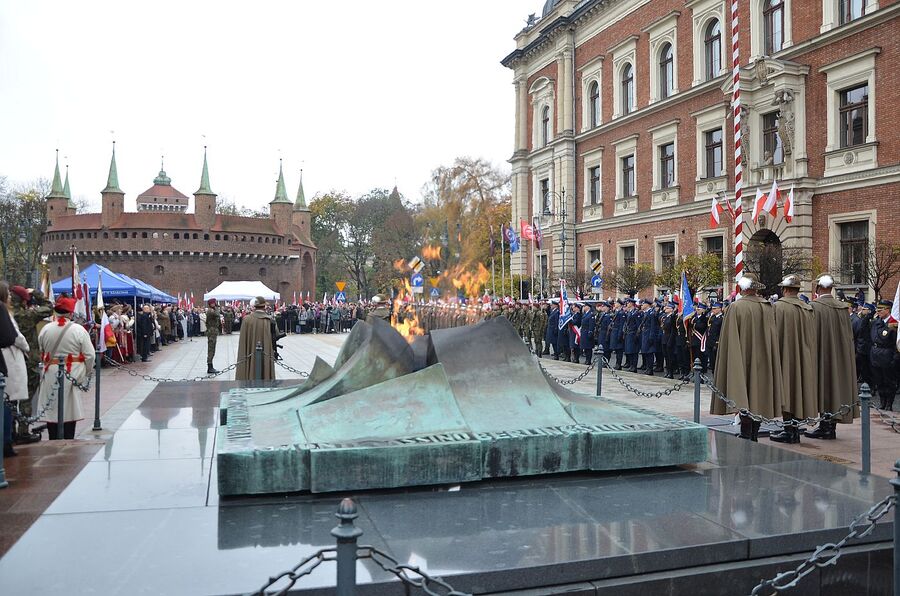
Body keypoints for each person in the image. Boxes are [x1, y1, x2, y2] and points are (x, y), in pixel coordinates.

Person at [710, 273, 783, 442]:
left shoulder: (736, 307)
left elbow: (729, 340)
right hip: (763, 359)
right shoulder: (767, 307)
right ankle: (754, 434)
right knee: (759, 396)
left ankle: (745, 433)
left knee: (743, 394)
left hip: (741, 358)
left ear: (742, 287)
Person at [36, 296, 95, 440]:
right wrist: (85, 372)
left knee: (51, 407)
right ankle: (69, 437)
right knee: (70, 408)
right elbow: (90, 355)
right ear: (70, 313)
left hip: (50, 371)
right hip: (72, 371)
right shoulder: (78, 330)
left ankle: (53, 436)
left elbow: (41, 349)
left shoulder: (46, 329)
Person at [808, 274, 858, 439]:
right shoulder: (842, 308)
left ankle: (825, 426)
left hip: (822, 354)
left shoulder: (815, 306)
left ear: (818, 288)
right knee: (835, 388)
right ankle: (830, 426)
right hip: (839, 355)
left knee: (823, 388)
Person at [770, 275, 818, 442]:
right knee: (799, 391)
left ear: (785, 289)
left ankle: (789, 430)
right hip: (804, 357)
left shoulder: (778, 307)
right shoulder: (807, 308)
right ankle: (794, 429)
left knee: (787, 392)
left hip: (784, 356)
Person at [0, 282, 29, 456]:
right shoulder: (5, 313)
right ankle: (6, 442)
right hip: (8, 359)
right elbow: (15, 336)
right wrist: (26, 347)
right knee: (8, 402)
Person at [235, 296, 276, 381]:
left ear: (254, 307)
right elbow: (276, 335)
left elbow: (243, 341)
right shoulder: (270, 320)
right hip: (266, 352)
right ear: (264, 306)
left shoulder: (246, 319)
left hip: (250, 353)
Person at [870, 299, 898, 412]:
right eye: (878, 309)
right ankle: (882, 402)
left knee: (889, 382)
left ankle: (889, 403)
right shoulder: (876, 322)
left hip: (887, 356)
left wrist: (894, 359)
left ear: (888, 310)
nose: (878, 311)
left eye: (881, 309)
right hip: (876, 356)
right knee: (879, 381)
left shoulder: (893, 324)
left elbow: (896, 343)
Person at [623, 298, 642, 373]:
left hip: (633, 333)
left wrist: (637, 335)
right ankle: (631, 365)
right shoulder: (630, 312)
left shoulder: (636, 313)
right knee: (629, 351)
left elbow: (638, 325)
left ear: (631, 303)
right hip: (629, 333)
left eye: (628, 303)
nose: (627, 304)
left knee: (634, 351)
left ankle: (634, 366)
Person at [205, 298, 222, 374]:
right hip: (211, 332)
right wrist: (217, 308)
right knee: (211, 349)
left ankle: (211, 366)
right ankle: (210, 367)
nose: (215, 304)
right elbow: (217, 314)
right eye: (214, 303)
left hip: (213, 331)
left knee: (212, 348)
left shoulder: (212, 310)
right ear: (211, 304)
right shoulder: (211, 311)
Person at [579, 301, 595, 366]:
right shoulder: (585, 314)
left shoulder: (591, 314)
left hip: (587, 331)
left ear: (588, 307)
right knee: (585, 346)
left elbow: (591, 324)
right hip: (584, 332)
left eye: (584, 306)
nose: (583, 307)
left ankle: (588, 360)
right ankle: (586, 360)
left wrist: (590, 332)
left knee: (588, 347)